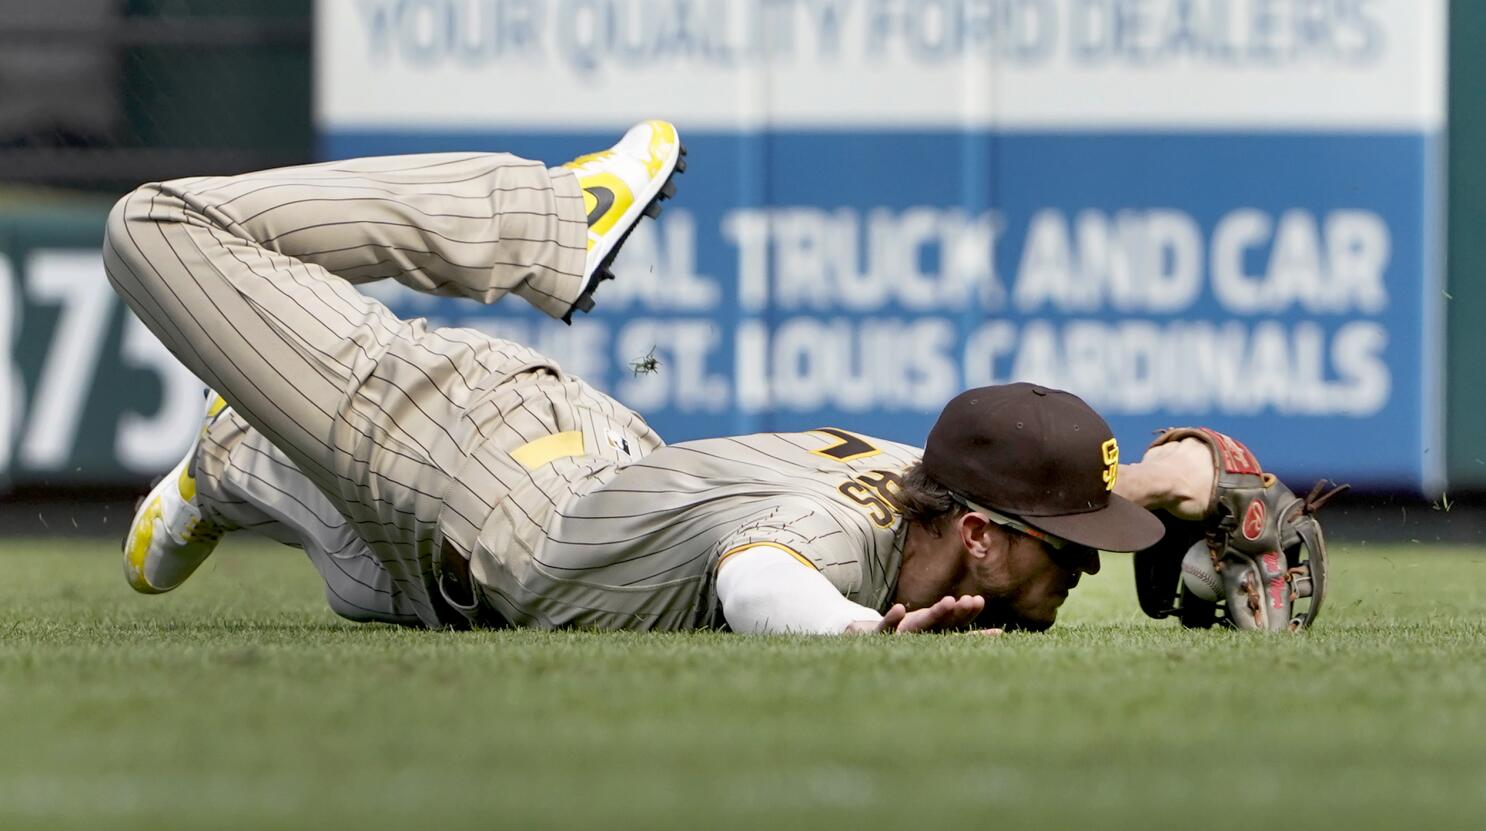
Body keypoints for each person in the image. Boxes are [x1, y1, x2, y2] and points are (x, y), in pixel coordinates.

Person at [106, 120, 1215, 635]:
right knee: (160, 226)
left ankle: (234, 456)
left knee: (372, 586)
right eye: (1070, 547)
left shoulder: (937, 482)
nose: (1086, 565)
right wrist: (853, 638)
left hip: (554, 501)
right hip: (480, 458)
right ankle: (544, 218)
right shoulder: (832, 546)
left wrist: (1191, 481)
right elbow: (758, 582)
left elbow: (1088, 480)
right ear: (976, 531)